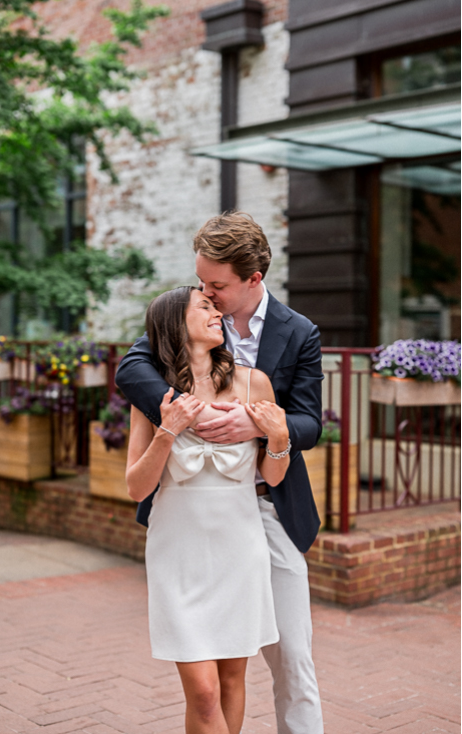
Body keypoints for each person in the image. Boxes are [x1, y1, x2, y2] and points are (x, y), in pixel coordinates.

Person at [116, 212, 325, 734]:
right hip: (185, 517)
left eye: (216, 286)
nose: (206, 295)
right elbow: (132, 370)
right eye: (202, 284)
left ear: (253, 279)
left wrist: (262, 430)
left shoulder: (297, 334)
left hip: (264, 505)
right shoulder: (181, 326)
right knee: (207, 686)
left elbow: (309, 421)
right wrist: (192, 415)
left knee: (292, 653)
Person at [126, 285, 290, 733]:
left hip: (239, 546)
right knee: (203, 692)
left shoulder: (253, 382)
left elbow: (272, 477)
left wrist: (278, 438)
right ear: (176, 324)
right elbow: (136, 487)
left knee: (232, 679)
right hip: (178, 551)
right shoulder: (156, 396)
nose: (217, 312)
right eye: (205, 306)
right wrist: (167, 431)